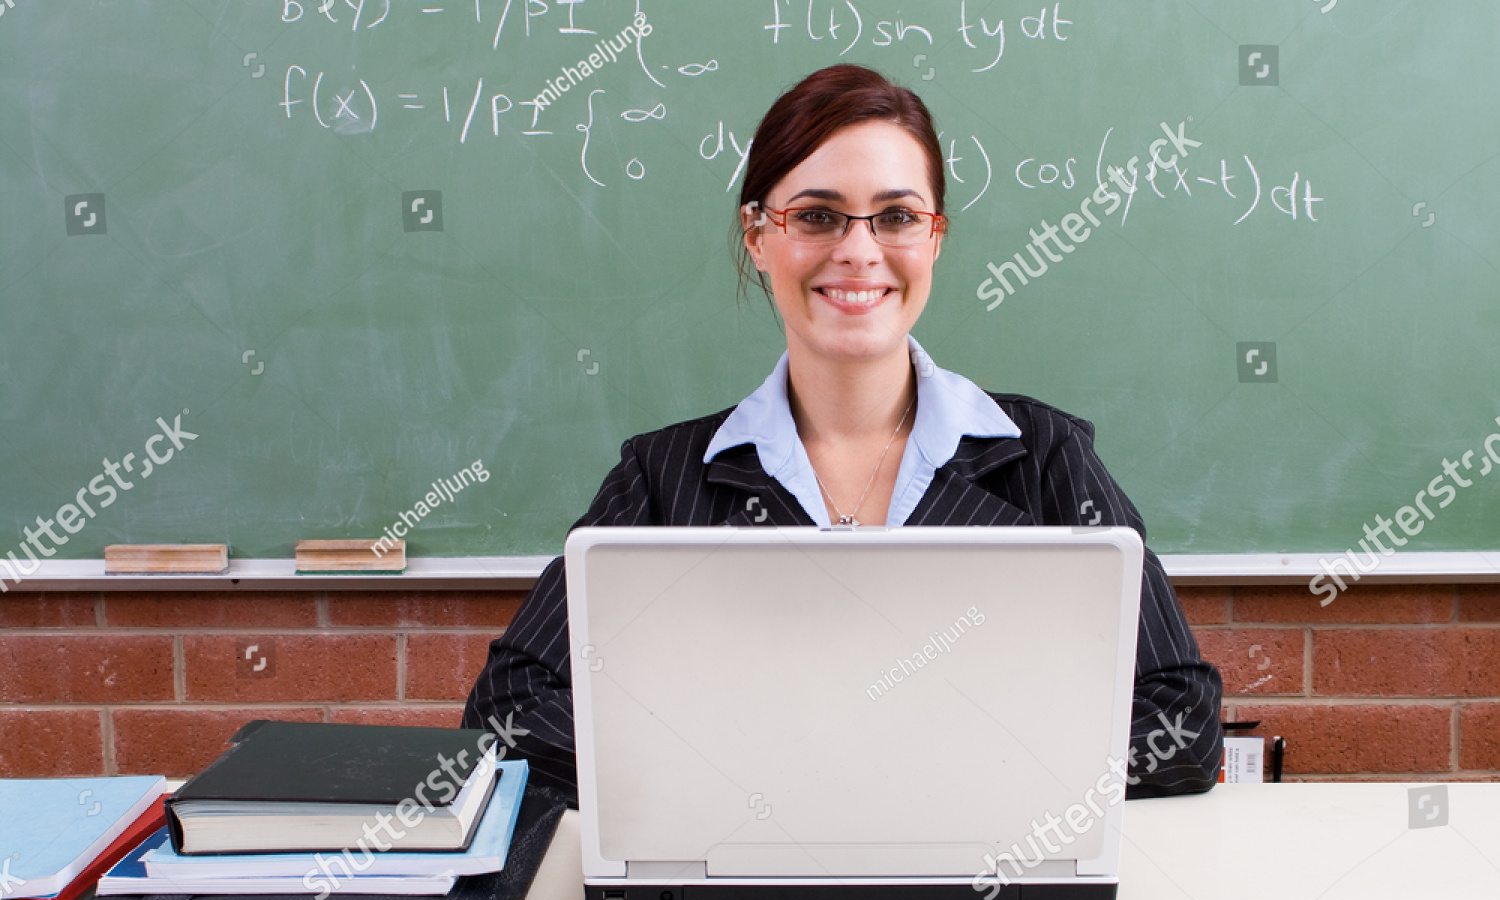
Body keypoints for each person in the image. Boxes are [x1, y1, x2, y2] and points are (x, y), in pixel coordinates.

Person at [464, 64, 1223, 803]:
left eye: (896, 216)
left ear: (934, 239)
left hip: (984, 896)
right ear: (758, 237)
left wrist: (900, 771)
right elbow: (507, 714)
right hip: (738, 898)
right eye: (818, 215)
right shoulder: (664, 479)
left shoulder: (1043, 457)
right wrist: (767, 775)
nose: (859, 251)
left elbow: (1181, 723)